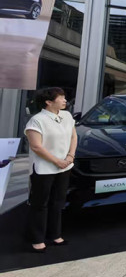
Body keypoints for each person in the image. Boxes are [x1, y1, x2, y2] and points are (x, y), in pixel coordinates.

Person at [24, 87, 77, 253]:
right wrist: (57, 161)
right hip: (44, 168)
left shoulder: (67, 116)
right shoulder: (37, 120)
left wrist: (70, 156)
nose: (65, 100)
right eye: (61, 97)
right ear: (48, 102)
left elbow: (73, 136)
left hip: (65, 166)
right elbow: (36, 147)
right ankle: (37, 239)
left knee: (58, 202)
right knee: (40, 204)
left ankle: (55, 235)